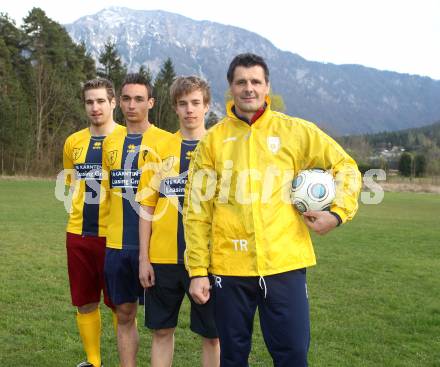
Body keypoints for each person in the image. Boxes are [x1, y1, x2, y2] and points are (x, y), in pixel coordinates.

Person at [183, 53, 362, 367]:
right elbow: (197, 211)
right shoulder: (213, 142)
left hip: (285, 265)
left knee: (292, 355)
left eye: (255, 81)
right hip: (230, 269)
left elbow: (346, 166)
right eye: (241, 82)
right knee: (233, 358)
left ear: (267, 86)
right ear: (231, 88)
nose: (248, 88)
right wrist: (198, 271)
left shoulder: (294, 131)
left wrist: (337, 213)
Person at [136, 76, 220, 367]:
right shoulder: (158, 148)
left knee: (213, 335)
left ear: (207, 106)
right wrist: (143, 259)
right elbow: (147, 207)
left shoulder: (220, 149)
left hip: (209, 259)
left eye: (196, 103)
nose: (189, 110)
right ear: (175, 108)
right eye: (183, 104)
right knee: (161, 331)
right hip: (163, 258)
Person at [102, 73, 171, 367]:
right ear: (119, 102)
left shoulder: (166, 142)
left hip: (158, 249)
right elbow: (105, 194)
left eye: (139, 99)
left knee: (161, 326)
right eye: (127, 99)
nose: (132, 105)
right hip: (118, 246)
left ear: (151, 102)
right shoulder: (110, 143)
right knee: (124, 315)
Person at [63, 78, 124, 367]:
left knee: (120, 305)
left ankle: (126, 361)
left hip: (117, 237)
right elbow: (69, 180)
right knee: (85, 300)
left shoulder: (129, 138)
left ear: (113, 103)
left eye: (101, 101)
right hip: (79, 234)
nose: (95, 107)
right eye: (90, 102)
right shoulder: (73, 142)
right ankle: (93, 362)